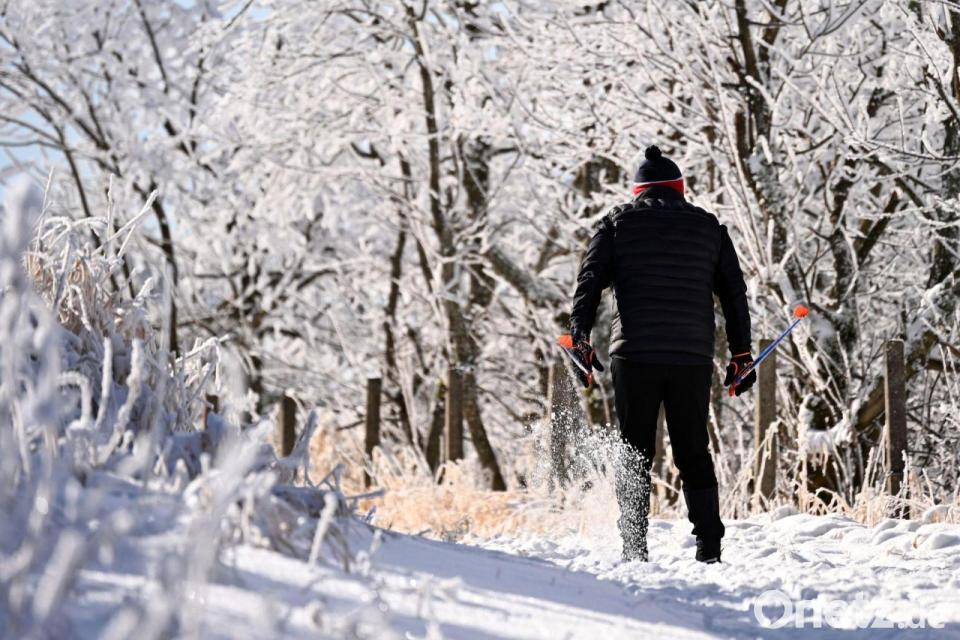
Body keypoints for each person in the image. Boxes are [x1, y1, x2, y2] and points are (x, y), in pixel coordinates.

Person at [567, 145, 754, 564]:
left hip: (634, 353)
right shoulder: (710, 228)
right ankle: (709, 546)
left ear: (638, 191)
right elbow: (734, 294)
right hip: (692, 355)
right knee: (693, 449)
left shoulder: (616, 225)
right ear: (679, 189)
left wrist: (580, 337)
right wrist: (741, 353)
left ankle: (634, 546)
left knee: (634, 449)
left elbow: (589, 281)